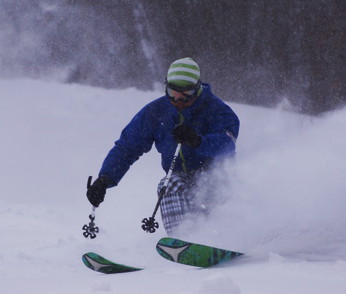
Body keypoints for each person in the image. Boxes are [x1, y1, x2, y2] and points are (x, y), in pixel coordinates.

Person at [86, 57, 240, 236]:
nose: (178, 100)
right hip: (181, 177)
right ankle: (183, 240)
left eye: (186, 93)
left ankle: (228, 237)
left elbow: (227, 144)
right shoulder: (156, 112)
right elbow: (127, 147)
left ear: (197, 89)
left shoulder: (218, 111)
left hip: (216, 176)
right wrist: (105, 180)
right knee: (168, 185)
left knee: (214, 199)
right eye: (172, 92)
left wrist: (197, 141)